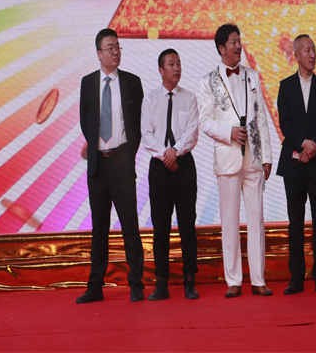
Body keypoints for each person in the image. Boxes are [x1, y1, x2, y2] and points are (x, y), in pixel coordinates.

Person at [198, 24, 274, 298]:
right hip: (227, 159)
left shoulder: (252, 76)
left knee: (257, 220)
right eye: (233, 42)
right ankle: (233, 279)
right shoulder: (208, 81)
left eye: (239, 41)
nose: (238, 46)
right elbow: (205, 121)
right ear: (221, 48)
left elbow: (261, 116)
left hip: (253, 158)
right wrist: (228, 132)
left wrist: (267, 156)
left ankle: (258, 279)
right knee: (229, 222)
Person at [76, 28, 144, 304]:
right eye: (110, 48)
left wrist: (126, 156)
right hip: (98, 166)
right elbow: (86, 120)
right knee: (99, 229)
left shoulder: (132, 82)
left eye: (118, 47)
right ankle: (95, 287)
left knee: (130, 227)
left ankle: (136, 284)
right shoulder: (87, 83)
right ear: (99, 53)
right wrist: (96, 147)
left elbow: (137, 125)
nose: (115, 52)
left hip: (121, 163)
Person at [276, 34, 316, 294]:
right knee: (295, 222)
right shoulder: (286, 86)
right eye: (307, 50)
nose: (312, 54)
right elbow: (285, 123)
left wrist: (314, 145)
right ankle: (296, 278)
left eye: (314, 49)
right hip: (294, 163)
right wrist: (302, 144)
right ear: (296, 55)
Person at [141, 49, 200, 300]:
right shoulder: (151, 99)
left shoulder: (190, 98)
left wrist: (175, 152)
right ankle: (161, 283)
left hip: (184, 165)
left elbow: (192, 131)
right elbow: (146, 133)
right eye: (171, 64)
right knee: (160, 227)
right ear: (160, 70)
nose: (177, 68)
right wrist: (164, 154)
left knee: (187, 225)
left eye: (178, 63)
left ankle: (190, 281)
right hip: (159, 167)